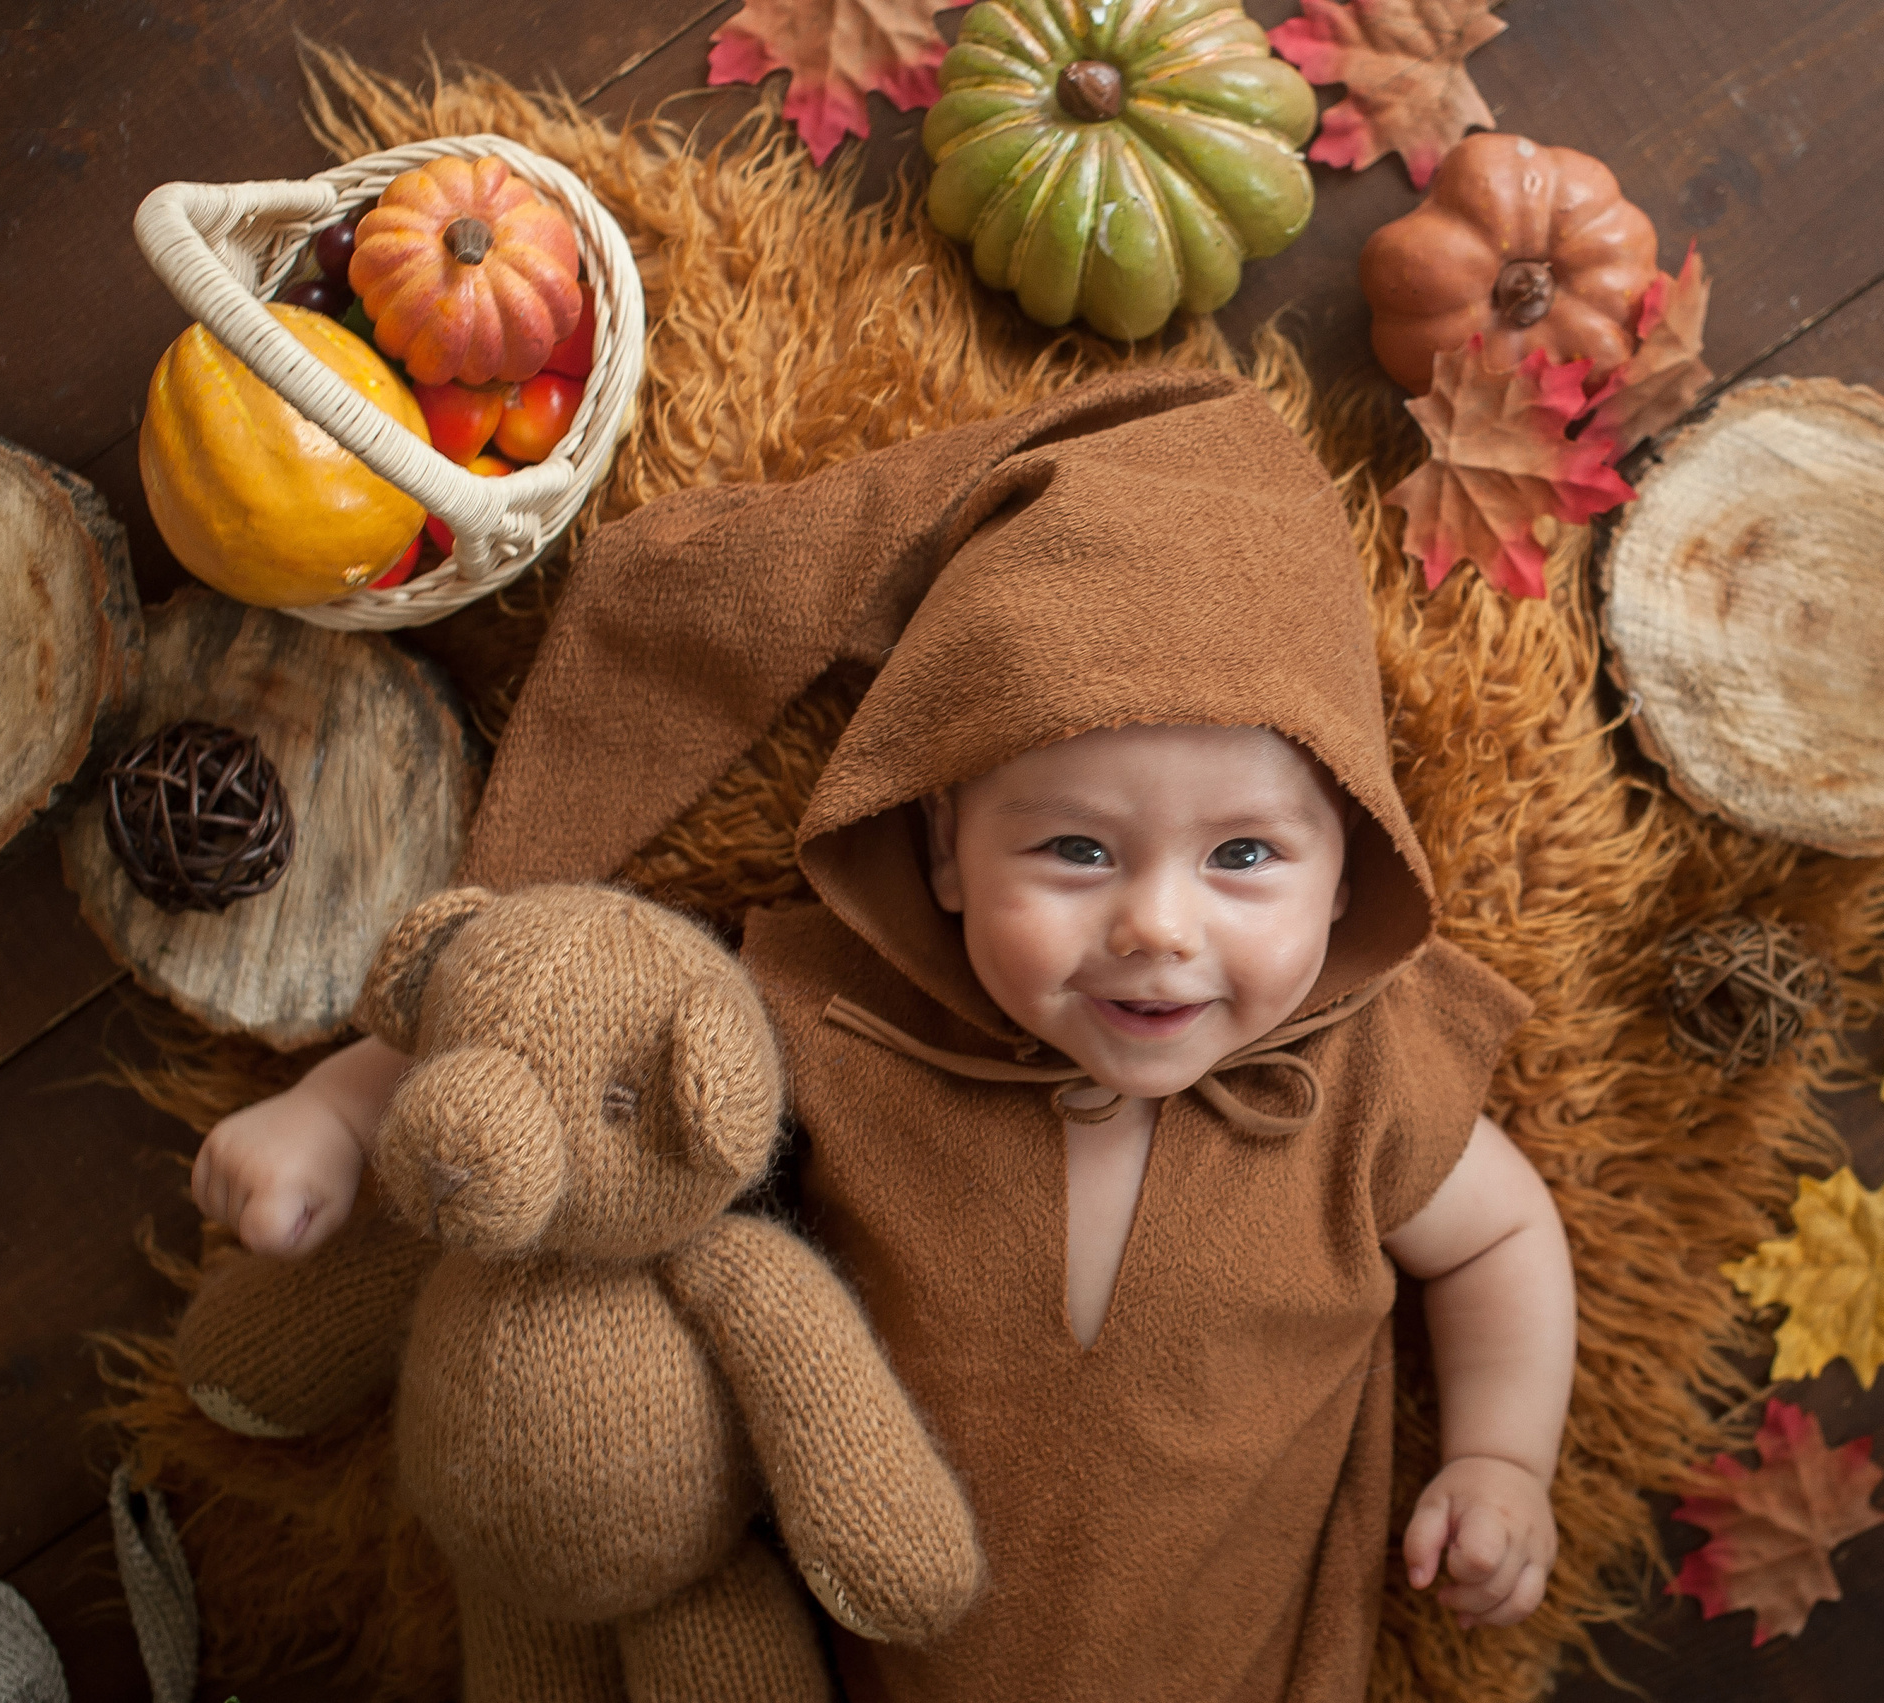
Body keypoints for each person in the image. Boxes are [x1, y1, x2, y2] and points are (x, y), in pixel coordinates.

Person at [189, 370, 1576, 1700]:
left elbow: (1500, 1240)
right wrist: (337, 1111)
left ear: (1348, 871)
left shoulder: (1364, 1076)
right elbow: (564, 1025)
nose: (1159, 926)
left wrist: (1502, 1460)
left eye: (1247, 857)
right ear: (945, 849)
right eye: (1079, 850)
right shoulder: (836, 1016)